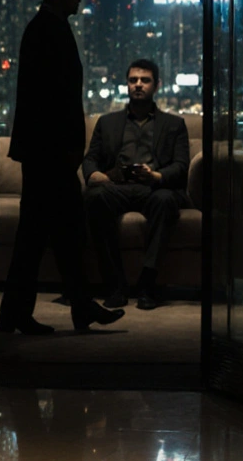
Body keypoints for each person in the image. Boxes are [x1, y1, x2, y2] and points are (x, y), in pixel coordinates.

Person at [1, 0, 125, 334]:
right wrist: (67, 148)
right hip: (50, 155)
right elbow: (52, 101)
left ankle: (67, 308)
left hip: (47, 153)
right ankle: (31, 313)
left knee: (57, 232)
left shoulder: (46, 29)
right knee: (45, 234)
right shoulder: (47, 31)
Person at [82, 59, 191, 310]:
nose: (138, 85)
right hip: (117, 187)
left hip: (155, 188)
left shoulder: (175, 124)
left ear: (157, 85)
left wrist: (156, 176)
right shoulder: (107, 122)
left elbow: (181, 165)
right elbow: (90, 159)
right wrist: (95, 175)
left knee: (165, 201)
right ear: (126, 85)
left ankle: (147, 284)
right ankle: (115, 285)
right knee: (95, 198)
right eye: (133, 80)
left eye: (145, 80)